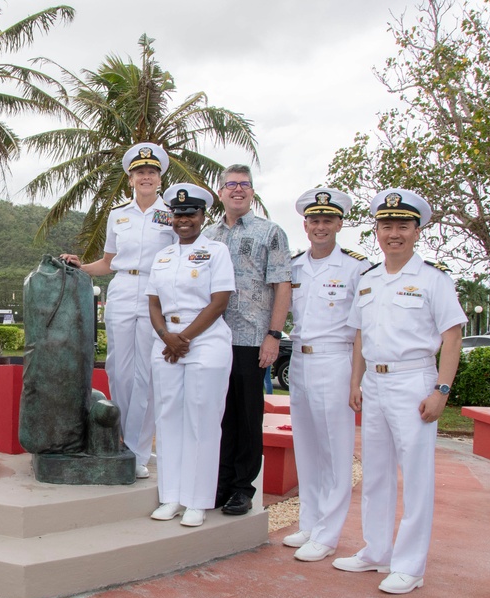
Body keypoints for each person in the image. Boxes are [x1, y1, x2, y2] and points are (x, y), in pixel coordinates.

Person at [334, 189, 465, 594]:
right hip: (374, 381)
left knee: (416, 476)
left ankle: (410, 565)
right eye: (386, 226)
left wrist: (441, 390)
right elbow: (359, 337)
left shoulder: (432, 279)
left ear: (417, 230)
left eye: (402, 226)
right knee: (375, 472)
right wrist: (355, 382)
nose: (394, 234)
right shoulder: (369, 279)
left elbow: (453, 335)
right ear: (376, 231)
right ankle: (377, 551)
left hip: (414, 382)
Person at [60, 142, 175, 478]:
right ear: (130, 178)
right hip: (123, 290)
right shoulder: (118, 215)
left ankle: (138, 451)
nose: (146, 177)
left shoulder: (170, 215)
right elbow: (109, 263)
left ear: (159, 178)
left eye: (151, 172)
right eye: (140, 172)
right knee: (118, 370)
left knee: (147, 374)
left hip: (156, 293)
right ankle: (121, 438)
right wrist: (80, 268)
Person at [283, 188, 370, 562]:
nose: (321, 227)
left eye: (328, 220)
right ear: (305, 225)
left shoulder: (356, 267)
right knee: (306, 446)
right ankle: (310, 521)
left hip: (336, 361)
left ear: (339, 224)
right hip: (300, 361)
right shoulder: (295, 266)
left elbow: (365, 327)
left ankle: (329, 533)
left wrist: (356, 380)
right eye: (314, 221)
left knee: (335, 450)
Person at [203, 165, 292, 515]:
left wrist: (273, 335)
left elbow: (282, 284)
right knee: (219, 414)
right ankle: (220, 482)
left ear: (252, 192)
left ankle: (242, 487)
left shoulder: (270, 232)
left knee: (247, 415)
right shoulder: (207, 235)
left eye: (244, 185)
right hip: (212, 338)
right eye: (231, 185)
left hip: (251, 337)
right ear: (221, 192)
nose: (237, 190)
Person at [146, 184, 234, 527]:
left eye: (191, 214)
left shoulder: (216, 252)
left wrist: (183, 338)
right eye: (179, 214)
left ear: (202, 217)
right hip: (166, 342)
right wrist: (168, 336)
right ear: (172, 218)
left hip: (206, 342)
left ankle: (197, 501)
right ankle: (171, 496)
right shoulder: (162, 256)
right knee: (167, 418)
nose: (184, 220)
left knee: (202, 419)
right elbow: (153, 302)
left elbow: (219, 301)